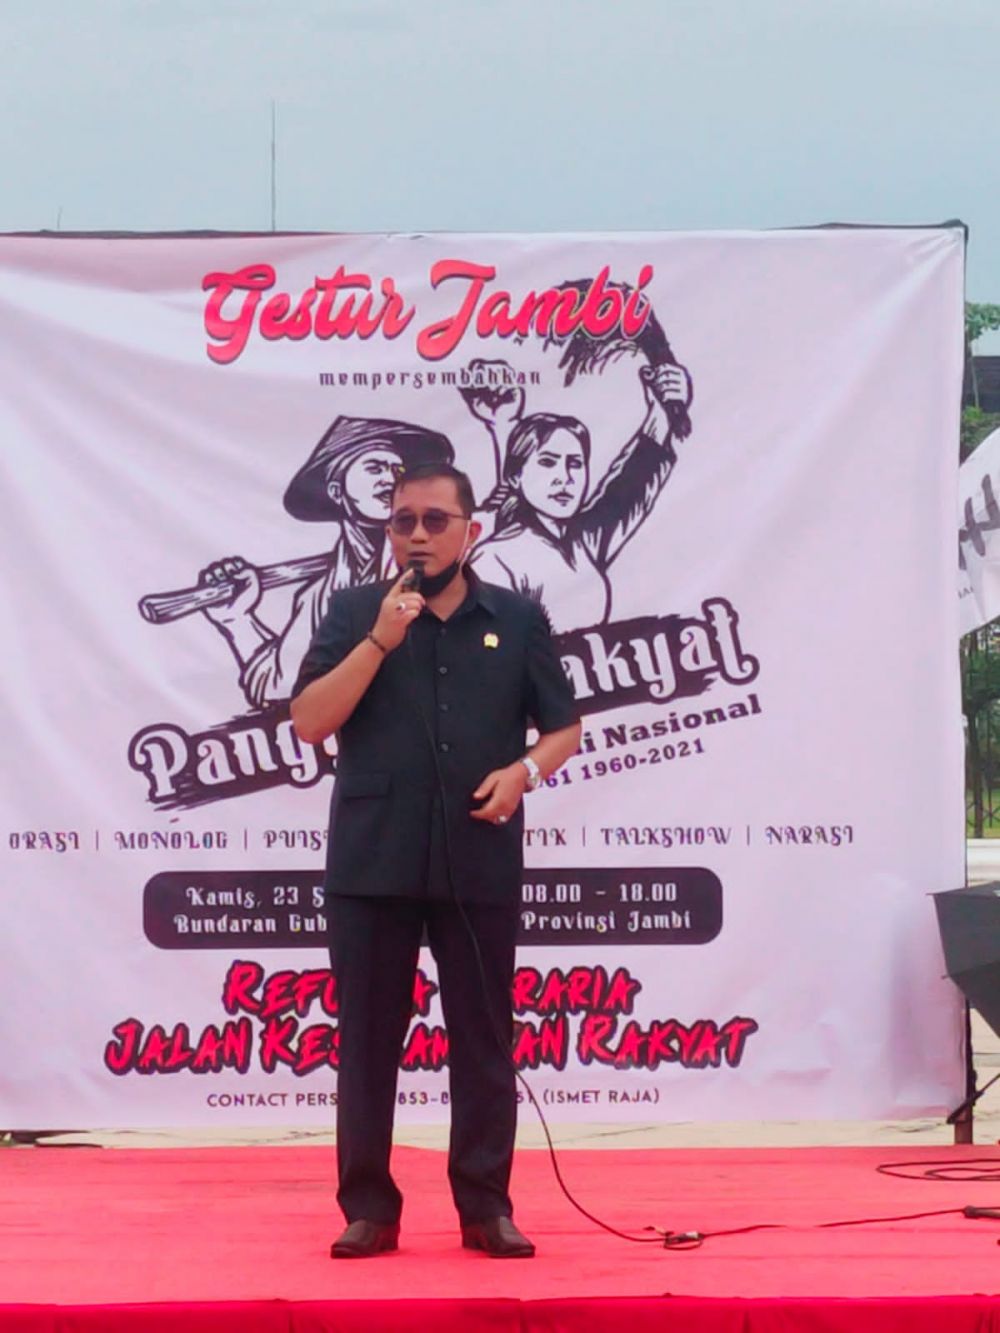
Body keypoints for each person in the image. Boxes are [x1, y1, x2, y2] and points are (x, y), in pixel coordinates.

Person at [290, 462, 581, 1259]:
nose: (417, 535)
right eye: (403, 521)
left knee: (482, 1037)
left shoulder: (515, 617)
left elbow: (564, 727)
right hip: (371, 858)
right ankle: (369, 1208)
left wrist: (525, 773)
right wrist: (379, 641)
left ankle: (485, 1206)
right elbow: (310, 722)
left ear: (471, 529)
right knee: (367, 1042)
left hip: (476, 852)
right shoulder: (355, 610)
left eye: (434, 520)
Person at [198, 416, 453, 706]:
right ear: (336, 491)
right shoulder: (319, 596)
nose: (389, 479)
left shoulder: (434, 569)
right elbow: (283, 684)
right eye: (374, 468)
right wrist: (237, 619)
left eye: (397, 470)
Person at [470, 362, 691, 633]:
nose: (565, 477)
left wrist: (660, 412)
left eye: (575, 464)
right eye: (548, 462)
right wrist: (504, 422)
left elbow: (629, 489)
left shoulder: (581, 541)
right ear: (515, 476)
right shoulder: (497, 557)